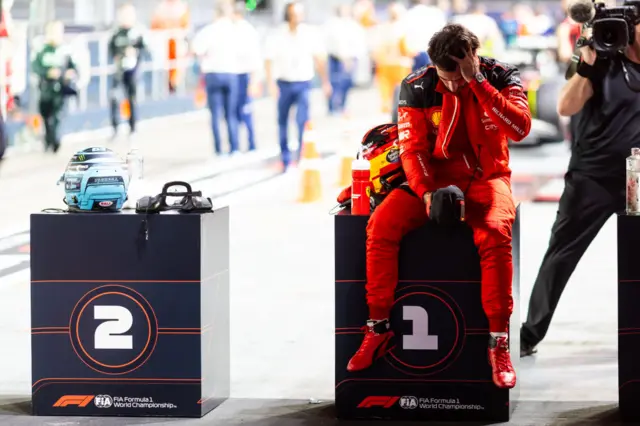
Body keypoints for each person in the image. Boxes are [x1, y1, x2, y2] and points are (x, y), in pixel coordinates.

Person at [347, 24, 531, 389]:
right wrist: (427, 193)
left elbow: (520, 128)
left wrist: (477, 83)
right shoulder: (417, 85)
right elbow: (412, 150)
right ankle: (378, 326)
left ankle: (499, 342)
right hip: (432, 181)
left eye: (457, 78)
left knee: (494, 232)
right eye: (445, 79)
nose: (451, 86)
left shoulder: (501, 76)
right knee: (380, 225)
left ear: (474, 59)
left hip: (488, 179)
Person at [520, 23, 640, 357]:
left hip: (639, 179)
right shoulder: (599, 59)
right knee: (561, 254)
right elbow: (565, 107)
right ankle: (530, 334)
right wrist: (586, 64)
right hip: (593, 178)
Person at [264, 1, 331, 172]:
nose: (297, 18)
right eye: (294, 14)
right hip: (284, 83)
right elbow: (269, 59)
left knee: (302, 120)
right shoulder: (278, 35)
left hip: (303, 83)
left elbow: (319, 59)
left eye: (299, 14)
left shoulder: (309, 34)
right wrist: (270, 83)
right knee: (282, 122)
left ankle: (301, 155)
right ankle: (285, 159)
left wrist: (325, 82)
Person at [192, 0, 241, 156]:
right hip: (231, 73)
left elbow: (196, 49)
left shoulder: (209, 31)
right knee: (231, 113)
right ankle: (234, 148)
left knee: (215, 114)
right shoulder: (235, 30)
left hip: (213, 73)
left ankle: (219, 150)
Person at [31, 21, 77, 153]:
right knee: (46, 115)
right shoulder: (41, 50)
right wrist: (47, 72)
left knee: (58, 115)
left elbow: (73, 68)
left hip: (60, 89)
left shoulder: (66, 50)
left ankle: (55, 141)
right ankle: (48, 140)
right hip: (46, 88)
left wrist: (67, 74)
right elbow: (35, 67)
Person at [108, 3, 147, 139]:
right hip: (119, 71)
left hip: (133, 71)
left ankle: (133, 128)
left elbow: (145, 49)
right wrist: (117, 56)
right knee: (114, 97)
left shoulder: (138, 32)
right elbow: (111, 49)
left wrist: (135, 52)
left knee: (132, 99)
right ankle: (115, 128)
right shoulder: (116, 33)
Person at [371, 2, 412, 115]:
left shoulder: (383, 28)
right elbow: (407, 49)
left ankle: (390, 115)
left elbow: (376, 48)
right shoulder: (403, 28)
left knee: (387, 94)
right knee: (400, 93)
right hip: (399, 65)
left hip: (386, 64)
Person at [324, 4, 365, 115]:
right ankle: (333, 107)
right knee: (335, 83)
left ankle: (342, 105)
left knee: (347, 83)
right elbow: (335, 44)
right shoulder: (333, 24)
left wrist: (353, 58)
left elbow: (358, 43)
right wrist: (343, 58)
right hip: (336, 58)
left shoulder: (353, 25)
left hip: (351, 58)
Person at [233, 1, 262, 152]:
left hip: (244, 74)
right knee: (233, 111)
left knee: (246, 110)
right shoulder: (230, 30)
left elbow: (255, 57)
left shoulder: (248, 31)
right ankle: (236, 144)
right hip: (232, 74)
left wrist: (254, 80)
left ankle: (251, 143)